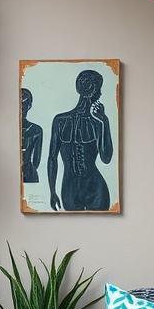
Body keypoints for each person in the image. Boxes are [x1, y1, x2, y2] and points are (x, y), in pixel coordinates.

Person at [47, 69, 113, 211]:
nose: (100, 94)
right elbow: (52, 158)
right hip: (69, 191)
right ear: (93, 90)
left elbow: (106, 158)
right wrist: (52, 191)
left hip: (96, 190)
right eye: (99, 90)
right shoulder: (60, 121)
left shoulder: (97, 123)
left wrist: (105, 121)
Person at [21, 88, 43, 183]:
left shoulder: (36, 130)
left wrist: (30, 169)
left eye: (23, 103)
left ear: (29, 106)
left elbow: (36, 159)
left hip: (29, 174)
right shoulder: (6, 128)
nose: (21, 107)